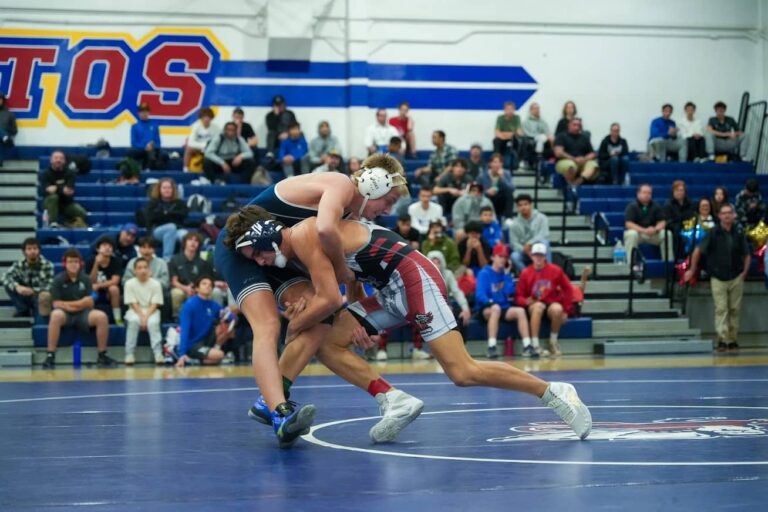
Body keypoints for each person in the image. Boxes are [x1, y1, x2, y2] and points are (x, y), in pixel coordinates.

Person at [227, 207, 592, 440]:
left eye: (257, 253)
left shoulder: (305, 235)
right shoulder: (303, 247)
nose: (259, 262)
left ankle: (553, 392)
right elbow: (347, 281)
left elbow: (330, 298)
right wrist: (355, 321)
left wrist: (293, 327)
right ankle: (393, 399)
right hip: (388, 286)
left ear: (267, 236)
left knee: (462, 372)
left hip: (412, 277)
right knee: (327, 342)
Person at [213, 154, 423, 447]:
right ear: (373, 186)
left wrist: (356, 316)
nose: (387, 210)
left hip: (281, 256)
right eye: (388, 201)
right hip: (245, 249)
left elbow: (345, 276)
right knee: (268, 326)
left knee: (321, 315)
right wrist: (339, 272)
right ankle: (279, 410)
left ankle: (269, 401)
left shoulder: (351, 216)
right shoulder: (340, 186)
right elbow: (324, 231)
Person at [684, 204, 751, 351]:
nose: (727, 216)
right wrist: (692, 269)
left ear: (733, 215)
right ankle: (722, 340)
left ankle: (732, 340)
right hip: (718, 277)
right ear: (719, 216)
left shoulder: (739, 233)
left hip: (736, 276)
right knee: (721, 309)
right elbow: (697, 251)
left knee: (734, 309)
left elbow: (746, 255)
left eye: (729, 213)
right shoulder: (712, 233)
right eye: (724, 213)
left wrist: (744, 272)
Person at [42, 249, 117, 369]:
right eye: (70, 261)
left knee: (101, 317)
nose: (73, 264)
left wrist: (73, 305)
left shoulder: (86, 279)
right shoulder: (58, 279)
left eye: (76, 261)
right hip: (65, 314)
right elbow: (56, 303)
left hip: (83, 313)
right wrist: (79, 303)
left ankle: (102, 354)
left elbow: (90, 302)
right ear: (65, 264)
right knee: (55, 315)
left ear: (80, 264)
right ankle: (50, 355)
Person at [515, 243, 573, 358]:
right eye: (536, 255)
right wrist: (526, 301)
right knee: (538, 307)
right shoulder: (525, 273)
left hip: (551, 302)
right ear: (531, 257)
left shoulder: (556, 270)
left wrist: (566, 310)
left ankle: (553, 342)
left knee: (557, 309)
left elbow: (568, 289)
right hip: (534, 304)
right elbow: (518, 296)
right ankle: (535, 344)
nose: (538, 258)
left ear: (545, 257)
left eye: (541, 256)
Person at [476, 244, 532, 358]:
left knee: (520, 311)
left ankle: (528, 346)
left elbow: (509, 292)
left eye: (505, 257)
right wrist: (491, 302)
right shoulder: (484, 273)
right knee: (495, 309)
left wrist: (507, 275)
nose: (502, 259)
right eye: (499, 256)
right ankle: (491, 347)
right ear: (493, 257)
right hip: (486, 308)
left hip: (503, 307)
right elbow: (480, 294)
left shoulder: (505, 274)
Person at [174, 276, 234, 368]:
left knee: (226, 324)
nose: (208, 286)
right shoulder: (189, 305)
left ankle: (197, 360)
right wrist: (182, 353)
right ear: (197, 288)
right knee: (220, 355)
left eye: (210, 285)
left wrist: (229, 315)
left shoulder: (214, 305)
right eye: (204, 284)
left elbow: (230, 315)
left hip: (207, 342)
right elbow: (184, 330)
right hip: (193, 345)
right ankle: (189, 356)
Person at [123, 257, 164, 365]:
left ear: (149, 269)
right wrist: (142, 316)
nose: (143, 270)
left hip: (152, 310)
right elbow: (133, 303)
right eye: (139, 268)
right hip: (134, 310)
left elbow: (155, 303)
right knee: (133, 321)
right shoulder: (129, 283)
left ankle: (158, 354)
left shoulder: (156, 284)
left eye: (145, 267)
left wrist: (146, 317)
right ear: (135, 270)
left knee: (153, 323)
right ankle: (129, 354)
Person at [169, 233, 220, 319]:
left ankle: (215, 316)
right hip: (182, 288)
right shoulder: (175, 260)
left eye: (196, 241)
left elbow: (206, 279)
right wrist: (185, 288)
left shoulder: (203, 262)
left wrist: (197, 290)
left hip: (198, 288)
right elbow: (174, 281)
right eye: (190, 240)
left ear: (199, 245)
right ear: (185, 242)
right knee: (176, 293)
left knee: (215, 291)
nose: (193, 243)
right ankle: (177, 317)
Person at [1, 237, 53, 321]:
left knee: (45, 295)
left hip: (38, 297)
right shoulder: (19, 264)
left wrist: (33, 290)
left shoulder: (48, 265)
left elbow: (49, 286)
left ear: (39, 250)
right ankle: (23, 310)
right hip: (23, 297)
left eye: (35, 248)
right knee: (9, 285)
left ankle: (41, 316)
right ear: (24, 251)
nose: (32, 251)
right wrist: (17, 287)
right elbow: (5, 277)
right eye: (29, 249)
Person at [624, 184, 668, 265]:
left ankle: (668, 265)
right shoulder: (632, 206)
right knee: (631, 234)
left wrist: (655, 229)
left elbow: (662, 222)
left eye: (649, 193)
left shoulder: (656, 206)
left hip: (652, 234)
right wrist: (644, 230)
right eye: (644, 192)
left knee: (667, 234)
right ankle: (630, 266)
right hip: (638, 234)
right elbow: (629, 224)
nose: (647, 195)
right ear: (638, 193)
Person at [41, 150, 88, 228]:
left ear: (64, 161)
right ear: (51, 160)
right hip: (50, 203)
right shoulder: (45, 174)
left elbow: (69, 191)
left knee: (82, 213)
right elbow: (48, 190)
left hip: (66, 203)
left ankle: (68, 223)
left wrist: (55, 187)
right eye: (56, 158)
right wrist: (62, 188)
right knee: (54, 197)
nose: (58, 160)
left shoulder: (70, 173)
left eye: (61, 158)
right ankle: (53, 223)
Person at [144, 178, 188, 259]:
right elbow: (152, 217)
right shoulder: (153, 203)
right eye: (164, 188)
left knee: (185, 235)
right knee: (171, 227)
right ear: (159, 189)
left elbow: (183, 215)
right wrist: (171, 216)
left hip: (177, 229)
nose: (167, 190)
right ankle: (167, 259)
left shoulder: (179, 203)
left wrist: (165, 214)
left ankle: (183, 260)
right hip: (157, 231)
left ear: (173, 189)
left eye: (169, 188)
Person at [508, 193, 551, 273]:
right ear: (517, 207)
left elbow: (544, 234)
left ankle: (548, 272)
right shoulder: (514, 224)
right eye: (520, 205)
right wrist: (524, 249)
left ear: (531, 205)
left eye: (526, 204)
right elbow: (514, 243)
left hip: (539, 249)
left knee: (545, 243)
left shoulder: (542, 218)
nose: (523, 207)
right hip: (524, 252)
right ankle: (528, 274)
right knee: (514, 256)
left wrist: (530, 244)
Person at [86, 236, 124, 325]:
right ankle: (88, 316)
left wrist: (99, 285)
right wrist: (96, 264)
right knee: (90, 288)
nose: (107, 248)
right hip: (95, 291)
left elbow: (115, 281)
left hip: (108, 292)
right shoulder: (90, 260)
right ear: (98, 249)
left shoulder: (116, 261)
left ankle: (117, 318)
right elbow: (90, 281)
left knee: (114, 289)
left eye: (110, 246)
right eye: (104, 245)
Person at [554, 118, 599, 189]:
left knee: (594, 165)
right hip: (565, 161)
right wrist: (574, 159)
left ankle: (577, 183)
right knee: (571, 166)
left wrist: (584, 159)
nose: (577, 127)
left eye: (578, 125)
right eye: (574, 125)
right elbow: (558, 152)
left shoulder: (585, 137)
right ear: (569, 125)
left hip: (582, 161)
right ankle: (569, 186)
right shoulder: (561, 136)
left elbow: (592, 154)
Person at [664, 180, 695, 259]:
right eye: (677, 190)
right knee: (677, 234)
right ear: (673, 191)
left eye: (682, 190)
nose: (680, 192)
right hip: (675, 229)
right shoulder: (668, 205)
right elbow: (668, 221)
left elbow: (692, 217)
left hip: (688, 227)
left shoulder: (690, 204)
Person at [184, 107, 219, 172]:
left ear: (211, 118)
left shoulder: (216, 128)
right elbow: (191, 142)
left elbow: (217, 142)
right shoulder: (196, 126)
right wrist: (203, 146)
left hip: (211, 149)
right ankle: (185, 169)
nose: (206, 119)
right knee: (188, 148)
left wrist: (207, 147)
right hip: (198, 148)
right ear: (201, 118)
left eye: (208, 117)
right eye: (204, 117)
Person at [480, 153, 515, 217]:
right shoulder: (483, 175)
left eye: (499, 162)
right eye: (495, 162)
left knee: (509, 195)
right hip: (487, 198)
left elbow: (512, 189)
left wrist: (502, 177)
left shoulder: (506, 173)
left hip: (501, 198)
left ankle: (508, 218)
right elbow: (476, 190)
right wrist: (486, 192)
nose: (497, 165)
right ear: (490, 164)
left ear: (502, 164)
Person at [129, 103, 162, 170]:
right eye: (142, 111)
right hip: (140, 151)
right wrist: (145, 147)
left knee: (163, 155)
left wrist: (152, 145)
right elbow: (133, 143)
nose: (144, 113)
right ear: (139, 113)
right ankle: (146, 168)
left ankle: (150, 169)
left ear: (148, 112)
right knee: (131, 152)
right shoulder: (135, 126)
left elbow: (158, 142)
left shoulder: (154, 126)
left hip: (152, 150)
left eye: (146, 111)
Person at [493, 101, 524, 170]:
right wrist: (510, 134)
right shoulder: (500, 118)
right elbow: (497, 133)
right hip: (502, 139)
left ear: (514, 110)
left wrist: (506, 133)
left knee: (521, 141)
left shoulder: (517, 118)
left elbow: (519, 132)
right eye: (508, 109)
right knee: (496, 141)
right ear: (504, 110)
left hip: (513, 138)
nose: (510, 111)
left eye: (511, 109)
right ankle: (496, 162)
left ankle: (519, 162)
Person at [0, 90, 18, 167]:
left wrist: (5, 129)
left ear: (2, 100)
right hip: (6, 140)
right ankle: (4, 137)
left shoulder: (9, 114)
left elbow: (15, 130)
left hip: (4, 140)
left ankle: (4, 136)